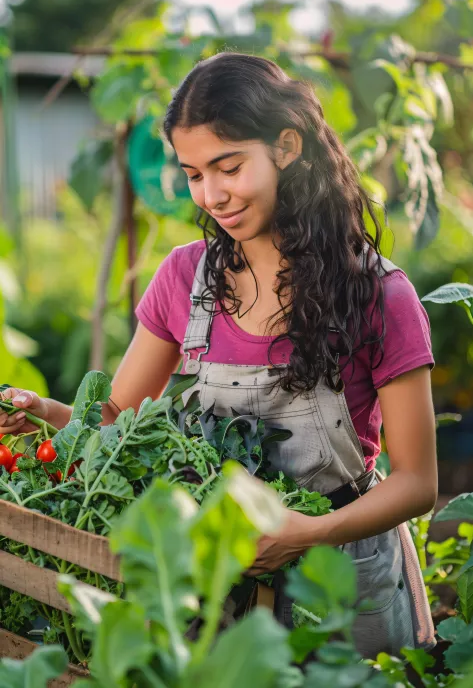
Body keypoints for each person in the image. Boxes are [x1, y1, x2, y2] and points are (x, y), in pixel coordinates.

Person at [0, 52, 438, 659]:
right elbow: (116, 423)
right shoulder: (184, 278)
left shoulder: (378, 294)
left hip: (341, 577)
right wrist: (46, 412)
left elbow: (418, 483)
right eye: (193, 174)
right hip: (218, 585)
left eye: (228, 167)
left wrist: (307, 533)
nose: (212, 195)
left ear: (286, 147)